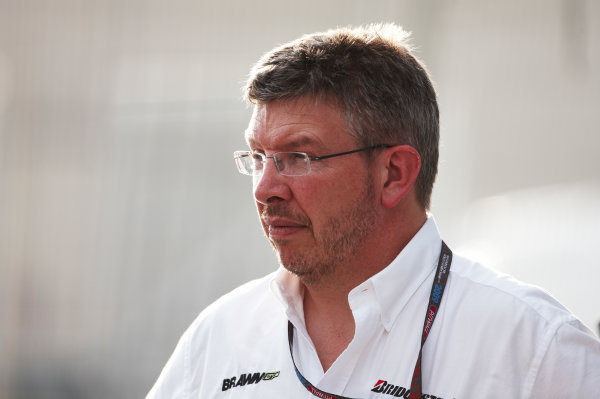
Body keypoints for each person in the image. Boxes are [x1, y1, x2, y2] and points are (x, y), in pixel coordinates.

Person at [147, 24, 600, 398]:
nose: (265, 188)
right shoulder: (219, 336)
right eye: (258, 157)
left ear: (394, 174)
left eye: (299, 157)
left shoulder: (536, 348)